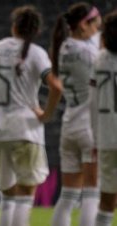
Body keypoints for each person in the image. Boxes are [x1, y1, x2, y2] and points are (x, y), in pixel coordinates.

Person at [0, 6, 62, 226]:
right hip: (25, 129)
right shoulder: (36, 53)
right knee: (26, 193)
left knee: (8, 194)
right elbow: (56, 86)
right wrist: (46, 114)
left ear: (14, 26)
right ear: (35, 30)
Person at [49, 3, 102, 226]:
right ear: (83, 25)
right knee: (92, 191)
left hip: (69, 124)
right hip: (89, 126)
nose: (98, 30)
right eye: (95, 24)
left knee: (68, 195)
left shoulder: (64, 48)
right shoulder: (90, 54)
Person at [91, 10, 117, 226]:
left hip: (107, 138)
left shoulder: (98, 60)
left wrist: (94, 137)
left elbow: (92, 101)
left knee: (107, 200)